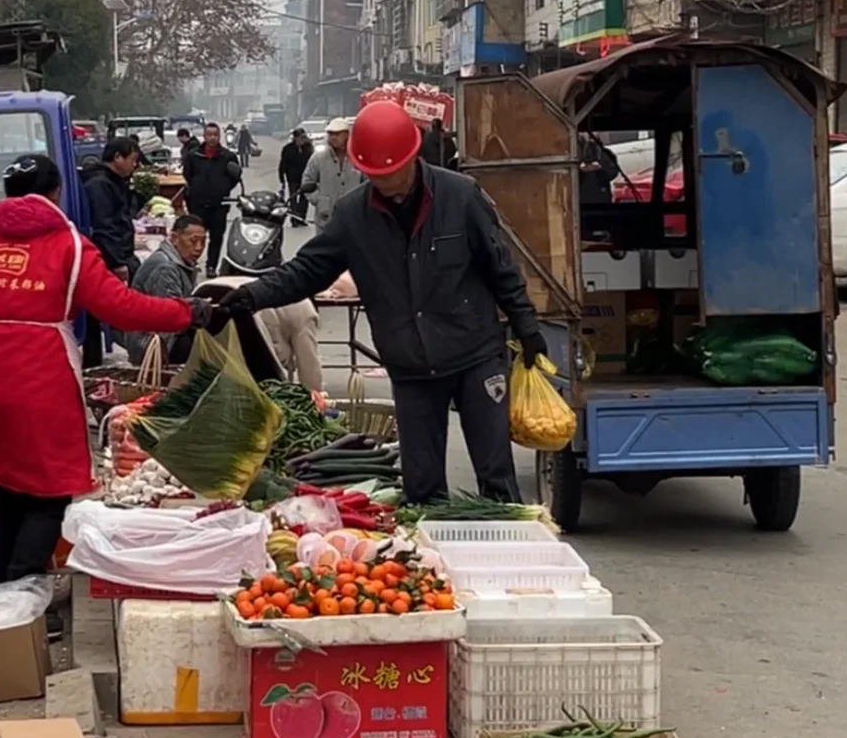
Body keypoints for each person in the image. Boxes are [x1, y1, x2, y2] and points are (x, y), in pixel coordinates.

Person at [0, 154, 213, 583]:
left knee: (6, 489)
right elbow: (120, 308)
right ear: (57, 192)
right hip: (39, 379)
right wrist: (187, 312)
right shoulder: (68, 244)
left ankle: (2, 588)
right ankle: (26, 594)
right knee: (47, 492)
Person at [226, 99, 547, 506]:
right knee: (423, 487)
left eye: (392, 172)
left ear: (413, 156)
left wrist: (527, 327)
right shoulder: (351, 216)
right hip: (411, 367)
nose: (386, 182)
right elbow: (306, 271)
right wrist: (253, 295)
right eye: (375, 174)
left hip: (475, 355)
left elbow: (502, 269)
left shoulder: (460, 196)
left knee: (496, 477)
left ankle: (505, 558)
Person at [80, 134, 143, 367]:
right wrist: (117, 262)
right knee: (104, 311)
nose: (135, 165)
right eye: (133, 160)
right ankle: (96, 363)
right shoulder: (99, 184)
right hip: (108, 258)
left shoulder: (113, 182)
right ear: (117, 157)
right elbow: (104, 226)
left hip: (118, 253)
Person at [125, 213, 207, 366]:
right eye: (193, 241)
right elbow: (170, 318)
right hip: (151, 344)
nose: (199, 248)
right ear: (175, 238)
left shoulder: (181, 261)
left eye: (203, 242)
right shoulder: (166, 267)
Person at [182, 121, 242, 275]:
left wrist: (223, 188)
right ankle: (192, 262)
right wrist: (196, 188)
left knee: (216, 237)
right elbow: (187, 175)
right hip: (198, 203)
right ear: (204, 136)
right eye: (209, 135)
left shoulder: (228, 156)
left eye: (215, 135)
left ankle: (211, 266)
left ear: (220, 136)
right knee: (195, 236)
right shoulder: (194, 155)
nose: (212, 138)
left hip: (219, 204)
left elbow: (235, 176)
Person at [299, 116, 362, 229]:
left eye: (337, 134)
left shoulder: (358, 156)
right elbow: (307, 181)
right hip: (326, 218)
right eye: (330, 134)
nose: (333, 137)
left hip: (354, 216)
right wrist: (319, 200)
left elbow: (369, 182)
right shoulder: (319, 157)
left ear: (347, 134)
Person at [258, 299, 324, 392]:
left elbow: (276, 349)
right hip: (300, 306)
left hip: (294, 310)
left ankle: (314, 395)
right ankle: (315, 396)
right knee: (309, 359)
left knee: (307, 360)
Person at [278, 126, 314, 225]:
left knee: (305, 197)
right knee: (293, 198)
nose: (302, 139)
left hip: (305, 177)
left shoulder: (307, 148)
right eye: (300, 137)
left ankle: (302, 217)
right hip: (292, 178)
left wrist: (309, 144)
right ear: (295, 138)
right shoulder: (288, 149)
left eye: (304, 137)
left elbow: (313, 162)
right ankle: (294, 218)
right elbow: (283, 164)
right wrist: (282, 178)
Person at [579, 132, 620, 209]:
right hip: (581, 200)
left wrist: (600, 169)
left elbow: (613, 172)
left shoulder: (606, 153)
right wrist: (580, 170)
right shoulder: (575, 154)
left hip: (601, 198)